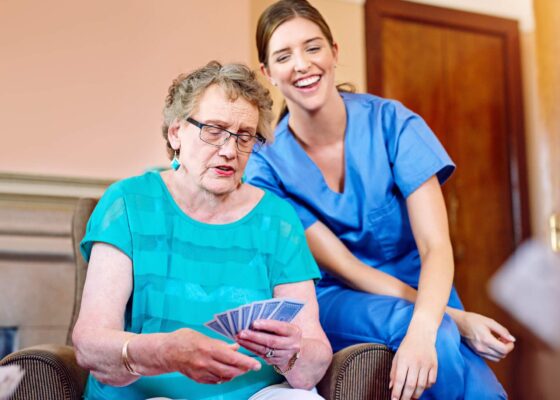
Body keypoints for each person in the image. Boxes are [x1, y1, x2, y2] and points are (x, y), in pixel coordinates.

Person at [245, 1, 515, 399]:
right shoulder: (266, 164)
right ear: (268, 73)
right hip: (339, 295)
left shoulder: (394, 124)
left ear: (335, 52)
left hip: (424, 286)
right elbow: (349, 268)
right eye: (284, 56)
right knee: (437, 336)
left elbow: (435, 246)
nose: (302, 64)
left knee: (484, 390)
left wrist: (434, 315)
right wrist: (453, 320)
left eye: (312, 47)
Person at [72, 61, 332, 400]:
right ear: (176, 132)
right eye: (213, 129)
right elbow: (89, 342)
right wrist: (164, 350)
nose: (229, 150)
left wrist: (293, 352)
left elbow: (316, 356)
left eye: (244, 136)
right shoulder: (128, 203)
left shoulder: (277, 219)